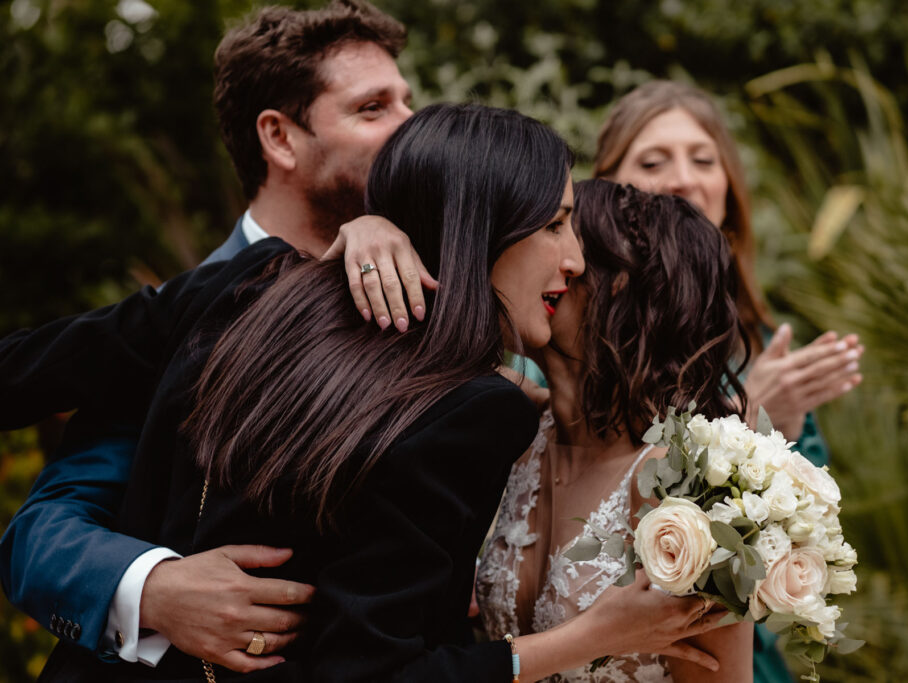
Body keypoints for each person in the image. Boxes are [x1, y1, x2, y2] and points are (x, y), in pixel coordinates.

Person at [1, 103, 728, 682]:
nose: (573, 261)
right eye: (555, 224)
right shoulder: (473, 411)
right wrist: (587, 638)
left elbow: (28, 367)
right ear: (483, 227)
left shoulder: (247, 282)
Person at [0, 1, 441, 672]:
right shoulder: (172, 322)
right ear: (280, 138)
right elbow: (39, 531)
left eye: (409, 103)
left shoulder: (437, 300)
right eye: (373, 109)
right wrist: (153, 587)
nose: (414, 129)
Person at [593, 80, 863, 681]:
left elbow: (804, 561)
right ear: (605, 190)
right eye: (653, 161)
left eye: (703, 159)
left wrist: (776, 427)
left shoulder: (759, 349)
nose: (683, 178)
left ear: (729, 192)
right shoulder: (569, 343)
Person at [477, 179, 754, 682]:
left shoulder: (686, 486)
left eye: (564, 234)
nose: (552, 256)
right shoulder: (518, 426)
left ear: (621, 283)